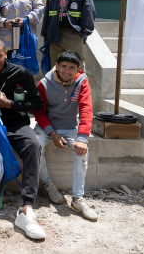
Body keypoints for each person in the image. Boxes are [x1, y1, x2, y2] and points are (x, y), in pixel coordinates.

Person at [0, 39, 46, 240]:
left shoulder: (21, 73)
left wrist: (10, 104)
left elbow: (37, 104)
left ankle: (27, 206)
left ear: (6, 54)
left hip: (17, 124)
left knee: (33, 145)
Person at [34, 50, 97, 221]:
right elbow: (38, 112)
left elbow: (86, 110)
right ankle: (48, 184)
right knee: (34, 146)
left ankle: (77, 199)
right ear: (56, 66)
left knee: (82, 152)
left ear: (78, 69)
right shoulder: (44, 83)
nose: (67, 71)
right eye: (63, 66)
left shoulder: (82, 82)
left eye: (71, 68)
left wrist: (82, 138)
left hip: (70, 127)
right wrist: (52, 133)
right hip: (47, 126)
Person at [41, 0, 96, 71]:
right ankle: (58, 89)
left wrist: (83, 33)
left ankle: (79, 89)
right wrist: (46, 36)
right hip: (54, 35)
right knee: (55, 70)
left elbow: (88, 10)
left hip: (73, 34)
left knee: (76, 69)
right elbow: (47, 15)